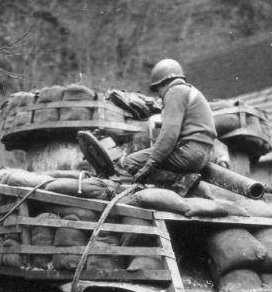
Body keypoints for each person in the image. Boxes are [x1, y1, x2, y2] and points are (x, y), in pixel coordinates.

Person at [79, 58, 217, 196]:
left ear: (163, 83)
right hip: (204, 152)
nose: (159, 94)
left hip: (189, 152)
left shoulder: (174, 92)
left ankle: (180, 181)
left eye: (158, 89)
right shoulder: (189, 91)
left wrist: (151, 162)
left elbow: (169, 134)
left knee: (130, 162)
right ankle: (178, 180)